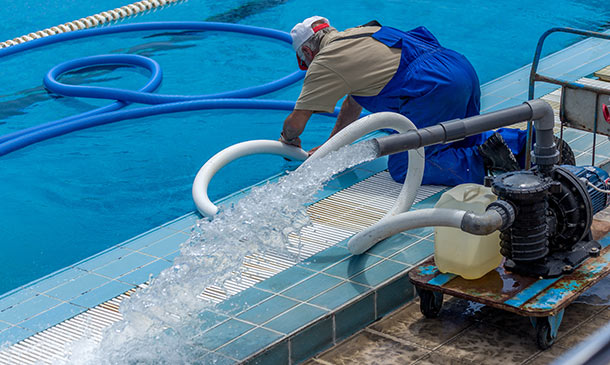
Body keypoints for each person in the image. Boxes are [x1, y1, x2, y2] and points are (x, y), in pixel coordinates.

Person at [279, 16, 571, 186]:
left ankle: (493, 162)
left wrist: (287, 140)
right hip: (459, 69)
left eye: (303, 61)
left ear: (307, 51)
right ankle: (529, 145)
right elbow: (353, 103)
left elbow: (296, 123)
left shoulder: (326, 61)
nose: (306, 65)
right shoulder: (362, 33)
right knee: (456, 139)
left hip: (432, 87)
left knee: (407, 165)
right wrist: (334, 146)